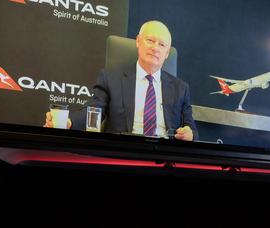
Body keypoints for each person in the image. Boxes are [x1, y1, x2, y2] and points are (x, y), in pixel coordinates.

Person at [44, 20, 198, 141]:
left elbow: (191, 130)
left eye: (162, 44)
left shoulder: (181, 88)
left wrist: (189, 134)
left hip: (164, 156)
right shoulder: (111, 78)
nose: (155, 48)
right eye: (150, 40)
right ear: (138, 41)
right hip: (124, 150)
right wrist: (68, 122)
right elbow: (94, 112)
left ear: (166, 53)